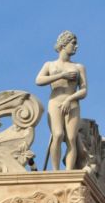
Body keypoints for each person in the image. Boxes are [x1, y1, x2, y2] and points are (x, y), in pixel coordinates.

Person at [35, 30, 88, 170]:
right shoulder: (50, 65)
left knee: (71, 138)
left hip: (72, 104)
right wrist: (61, 76)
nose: (76, 47)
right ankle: (56, 170)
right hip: (55, 102)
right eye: (73, 43)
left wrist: (70, 99)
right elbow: (39, 80)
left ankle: (68, 171)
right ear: (64, 44)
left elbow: (83, 90)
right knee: (57, 135)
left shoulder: (78, 67)